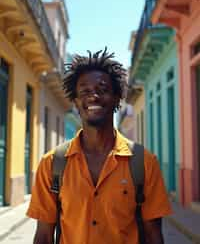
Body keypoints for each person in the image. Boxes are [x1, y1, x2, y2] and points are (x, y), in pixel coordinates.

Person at [27, 48, 172, 244]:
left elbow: (154, 235)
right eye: (84, 91)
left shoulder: (144, 163)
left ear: (116, 98)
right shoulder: (52, 164)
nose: (93, 96)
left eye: (102, 90)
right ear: (76, 102)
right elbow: (43, 236)